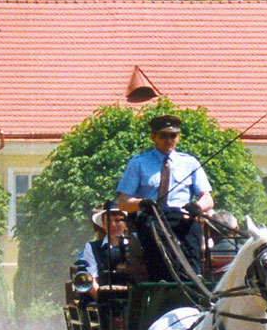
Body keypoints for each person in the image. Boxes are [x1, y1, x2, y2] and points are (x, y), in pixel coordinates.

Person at [116, 114, 213, 280]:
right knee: (157, 233)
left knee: (193, 230)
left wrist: (197, 207)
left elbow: (207, 198)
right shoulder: (138, 163)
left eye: (173, 135)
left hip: (182, 216)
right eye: (163, 135)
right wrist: (141, 203)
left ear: (178, 136)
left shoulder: (190, 163)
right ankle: (164, 278)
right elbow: (123, 201)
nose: (169, 140)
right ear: (153, 136)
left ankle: (194, 276)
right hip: (153, 217)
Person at [75, 201, 129, 297]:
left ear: (125, 224)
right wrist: (102, 299)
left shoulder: (134, 245)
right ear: (103, 224)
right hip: (105, 301)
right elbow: (93, 281)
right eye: (108, 221)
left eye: (117, 220)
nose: (113, 225)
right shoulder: (92, 248)